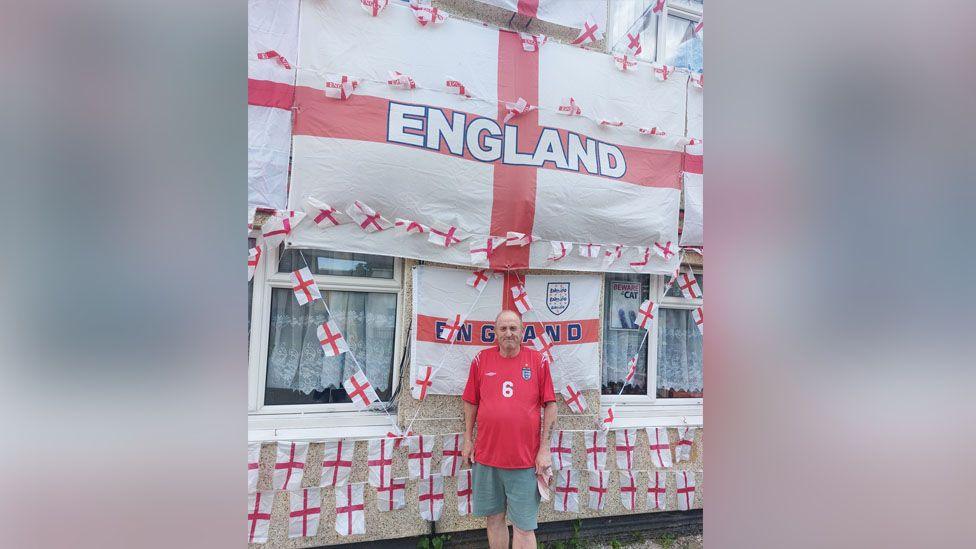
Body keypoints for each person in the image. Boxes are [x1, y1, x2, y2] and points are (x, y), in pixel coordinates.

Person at [461, 309, 558, 549]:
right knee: (494, 519)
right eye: (503, 328)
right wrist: (467, 439)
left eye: (514, 328)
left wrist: (544, 449)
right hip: (487, 458)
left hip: (524, 461)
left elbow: (551, 405)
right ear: (494, 332)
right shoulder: (481, 360)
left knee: (524, 526)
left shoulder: (538, 361)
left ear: (522, 332)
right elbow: (471, 402)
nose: (508, 333)